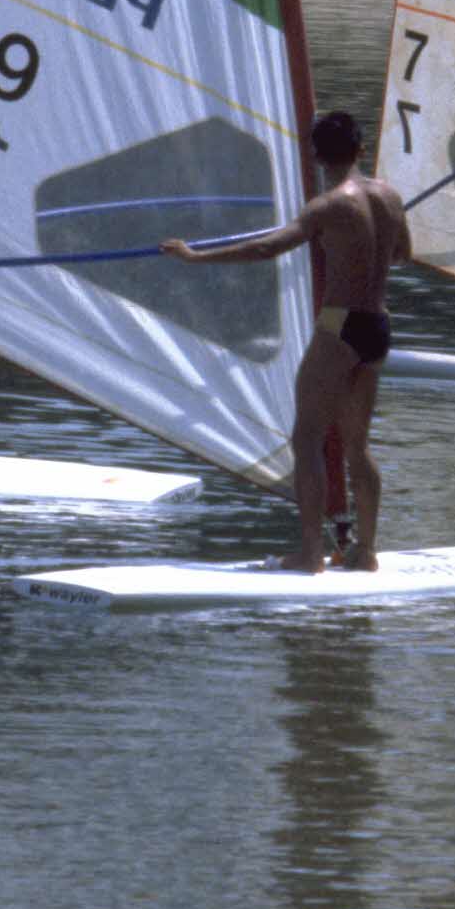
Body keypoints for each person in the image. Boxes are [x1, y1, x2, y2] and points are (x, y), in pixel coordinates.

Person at [162, 111, 410, 574]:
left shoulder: (327, 206)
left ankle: (312, 553)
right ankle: (367, 551)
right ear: (360, 148)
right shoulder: (390, 197)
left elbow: (267, 248)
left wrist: (196, 257)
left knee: (308, 437)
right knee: (359, 447)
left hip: (340, 327)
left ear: (315, 155)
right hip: (378, 327)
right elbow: (402, 254)